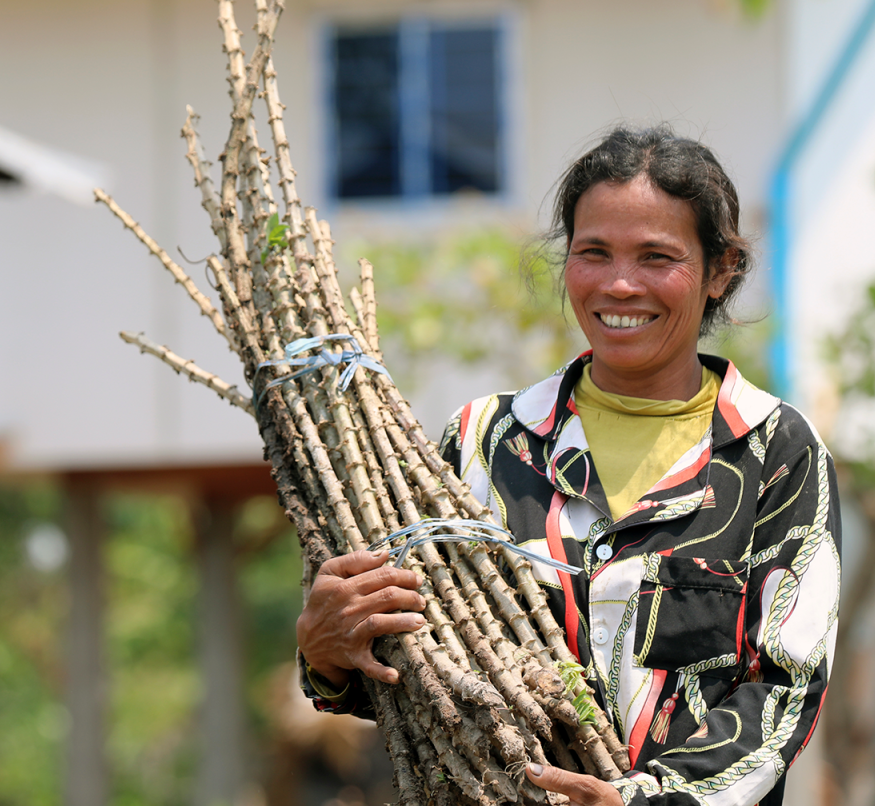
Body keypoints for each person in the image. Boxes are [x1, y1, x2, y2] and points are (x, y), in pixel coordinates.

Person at [294, 126, 841, 806]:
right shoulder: (481, 445)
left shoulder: (771, 451)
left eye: (655, 256)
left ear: (722, 269)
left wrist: (645, 801)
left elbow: (786, 686)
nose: (619, 284)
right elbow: (423, 676)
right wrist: (327, 657)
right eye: (594, 253)